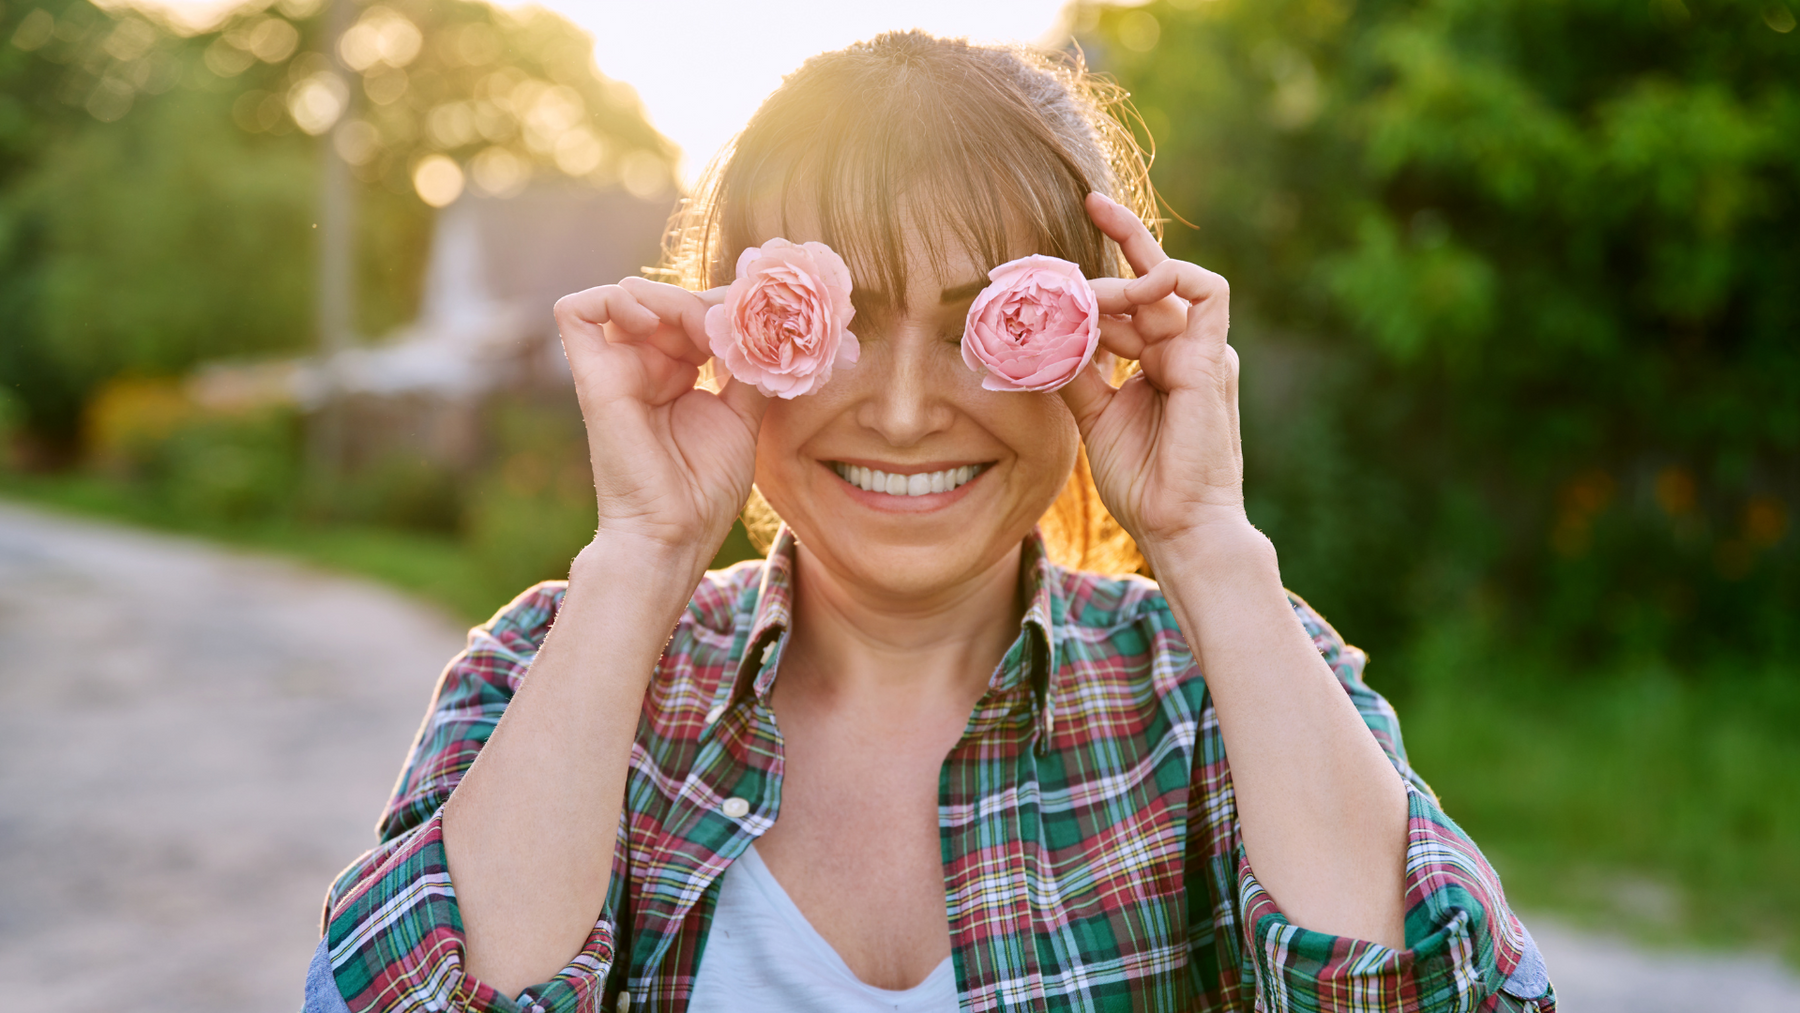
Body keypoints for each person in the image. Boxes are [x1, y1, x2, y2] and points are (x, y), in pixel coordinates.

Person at [304, 31, 1553, 1013]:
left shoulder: (1218, 690)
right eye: (840, 317)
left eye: (980, 322)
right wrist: (640, 552)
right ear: (731, 329)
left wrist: (1211, 547)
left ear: (1102, 337)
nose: (903, 410)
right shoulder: (549, 670)